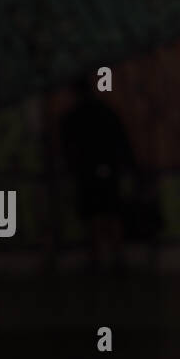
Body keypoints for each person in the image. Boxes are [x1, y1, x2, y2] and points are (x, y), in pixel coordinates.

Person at [60, 77, 138, 272]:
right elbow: (122, 141)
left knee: (92, 215)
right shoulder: (106, 111)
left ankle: (96, 259)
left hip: (86, 171)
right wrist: (128, 166)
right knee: (112, 213)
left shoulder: (72, 116)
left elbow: (68, 147)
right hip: (109, 169)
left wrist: (72, 168)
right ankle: (118, 257)